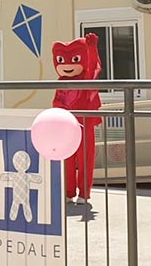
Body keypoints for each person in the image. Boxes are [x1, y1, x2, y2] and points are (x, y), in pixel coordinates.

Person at [52, 33, 102, 205]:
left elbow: (94, 67)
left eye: (73, 59)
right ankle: (69, 191)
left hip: (84, 124)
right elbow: (57, 102)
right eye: (61, 60)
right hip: (66, 126)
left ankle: (84, 192)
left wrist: (92, 48)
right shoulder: (61, 83)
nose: (67, 65)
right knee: (67, 159)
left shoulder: (86, 79)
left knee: (85, 158)